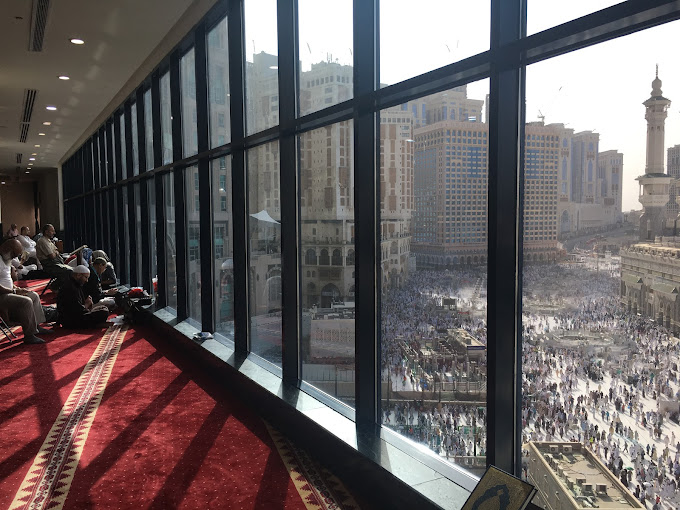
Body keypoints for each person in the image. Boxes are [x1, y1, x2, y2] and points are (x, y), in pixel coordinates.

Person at [0, 240, 50, 344]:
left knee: (33, 295)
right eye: (14, 254)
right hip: (2, 295)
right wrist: (13, 291)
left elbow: (7, 280)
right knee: (26, 301)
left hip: (9, 292)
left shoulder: (6, 259)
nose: (14, 257)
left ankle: (36, 326)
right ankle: (29, 335)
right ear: (7, 249)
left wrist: (17, 289)